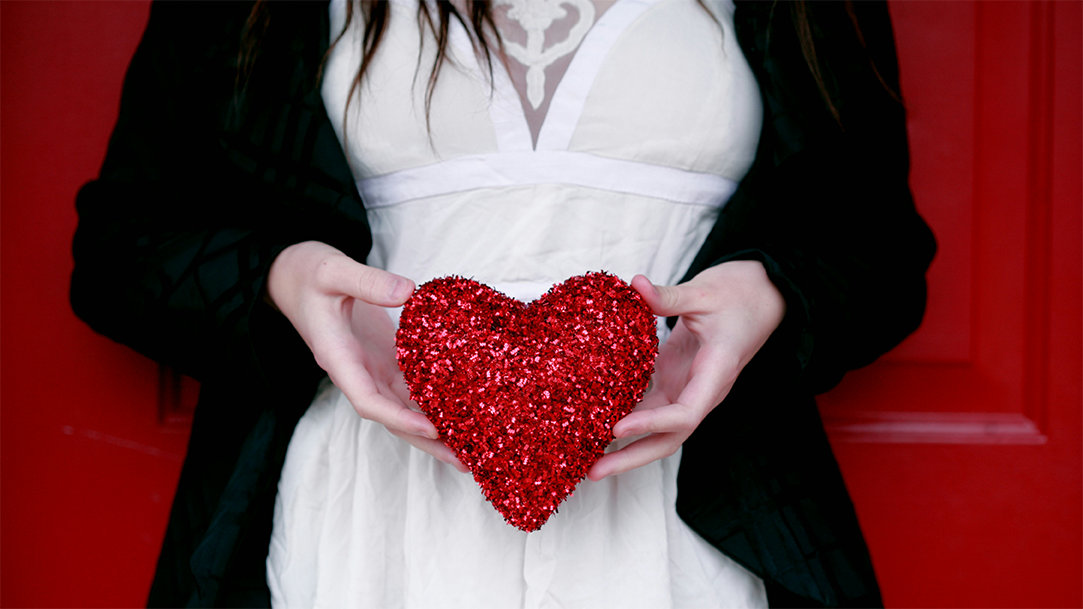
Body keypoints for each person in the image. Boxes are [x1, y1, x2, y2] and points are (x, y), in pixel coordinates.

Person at [70, 0, 935, 606]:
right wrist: (280, 280)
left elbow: (878, 247)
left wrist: (771, 293)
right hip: (360, 514)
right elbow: (122, 248)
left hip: (700, 510)